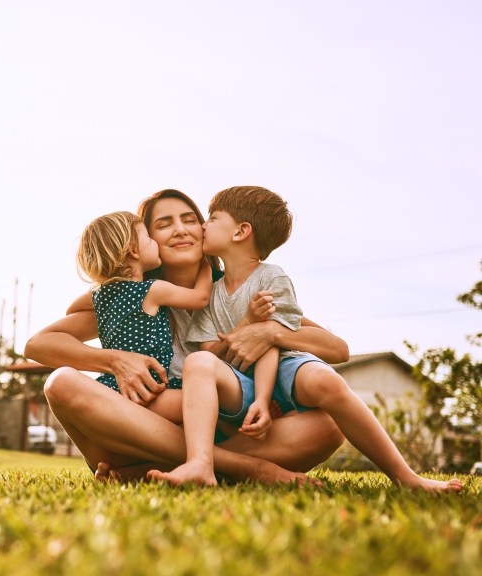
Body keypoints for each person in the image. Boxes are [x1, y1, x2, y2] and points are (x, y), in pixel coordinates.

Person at [25, 189, 349, 485]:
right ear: (142, 242)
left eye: (190, 220)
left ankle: (162, 469)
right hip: (135, 433)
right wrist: (113, 360)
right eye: (164, 224)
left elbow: (337, 348)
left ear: (205, 230)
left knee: (328, 427)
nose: (180, 230)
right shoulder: (133, 297)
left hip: (228, 432)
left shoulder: (240, 291)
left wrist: (270, 330)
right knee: (61, 383)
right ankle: (244, 468)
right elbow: (39, 344)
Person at [184, 185, 462, 493]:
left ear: (241, 231)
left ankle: (405, 475)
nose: (203, 224)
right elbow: (212, 352)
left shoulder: (271, 278)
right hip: (241, 377)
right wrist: (247, 327)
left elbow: (274, 342)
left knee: (325, 382)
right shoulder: (209, 296)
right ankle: (213, 463)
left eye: (212, 217)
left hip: (285, 360)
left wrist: (264, 395)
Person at [73, 210, 245, 486]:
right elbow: (201, 297)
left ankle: (141, 470)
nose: (155, 242)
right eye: (148, 239)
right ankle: (216, 464)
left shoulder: (99, 295)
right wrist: (205, 268)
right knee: (211, 413)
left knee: (183, 424)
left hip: (113, 389)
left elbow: (71, 309)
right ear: (133, 251)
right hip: (154, 388)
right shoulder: (151, 290)